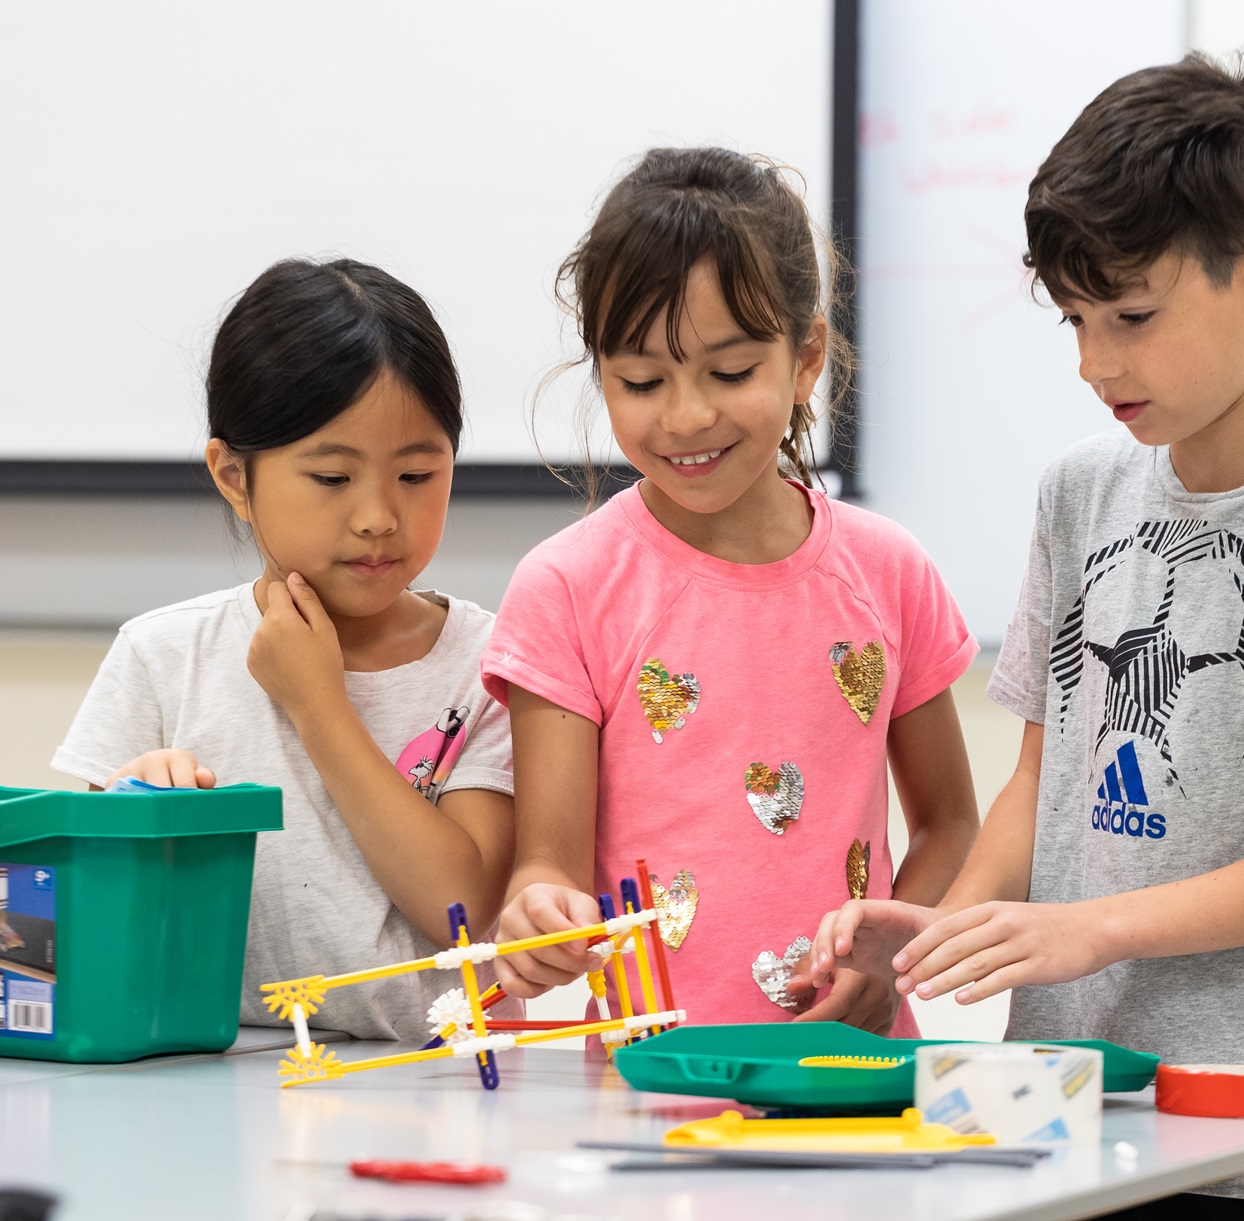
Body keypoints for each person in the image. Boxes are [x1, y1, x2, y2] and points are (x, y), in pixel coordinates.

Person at [798, 54, 1244, 1216]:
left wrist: (1093, 930)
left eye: (1133, 316)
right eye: (1073, 318)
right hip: (1050, 1111)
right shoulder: (1080, 492)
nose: (1094, 362)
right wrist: (948, 933)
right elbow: (1042, 786)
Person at [481, 147, 981, 1034]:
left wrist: (889, 963)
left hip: (855, 1077)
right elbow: (544, 870)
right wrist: (536, 920)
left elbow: (948, 827)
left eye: (730, 371)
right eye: (641, 381)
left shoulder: (888, 568)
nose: (685, 416)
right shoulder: (567, 586)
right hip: (650, 1090)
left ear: (806, 359)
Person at [53, 259, 515, 1041]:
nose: (379, 516)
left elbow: (460, 908)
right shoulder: (163, 655)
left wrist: (318, 703)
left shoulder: (491, 660)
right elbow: (83, 927)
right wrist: (131, 809)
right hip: (204, 1083)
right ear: (235, 476)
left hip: (432, 1086)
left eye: (416, 473)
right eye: (333, 477)